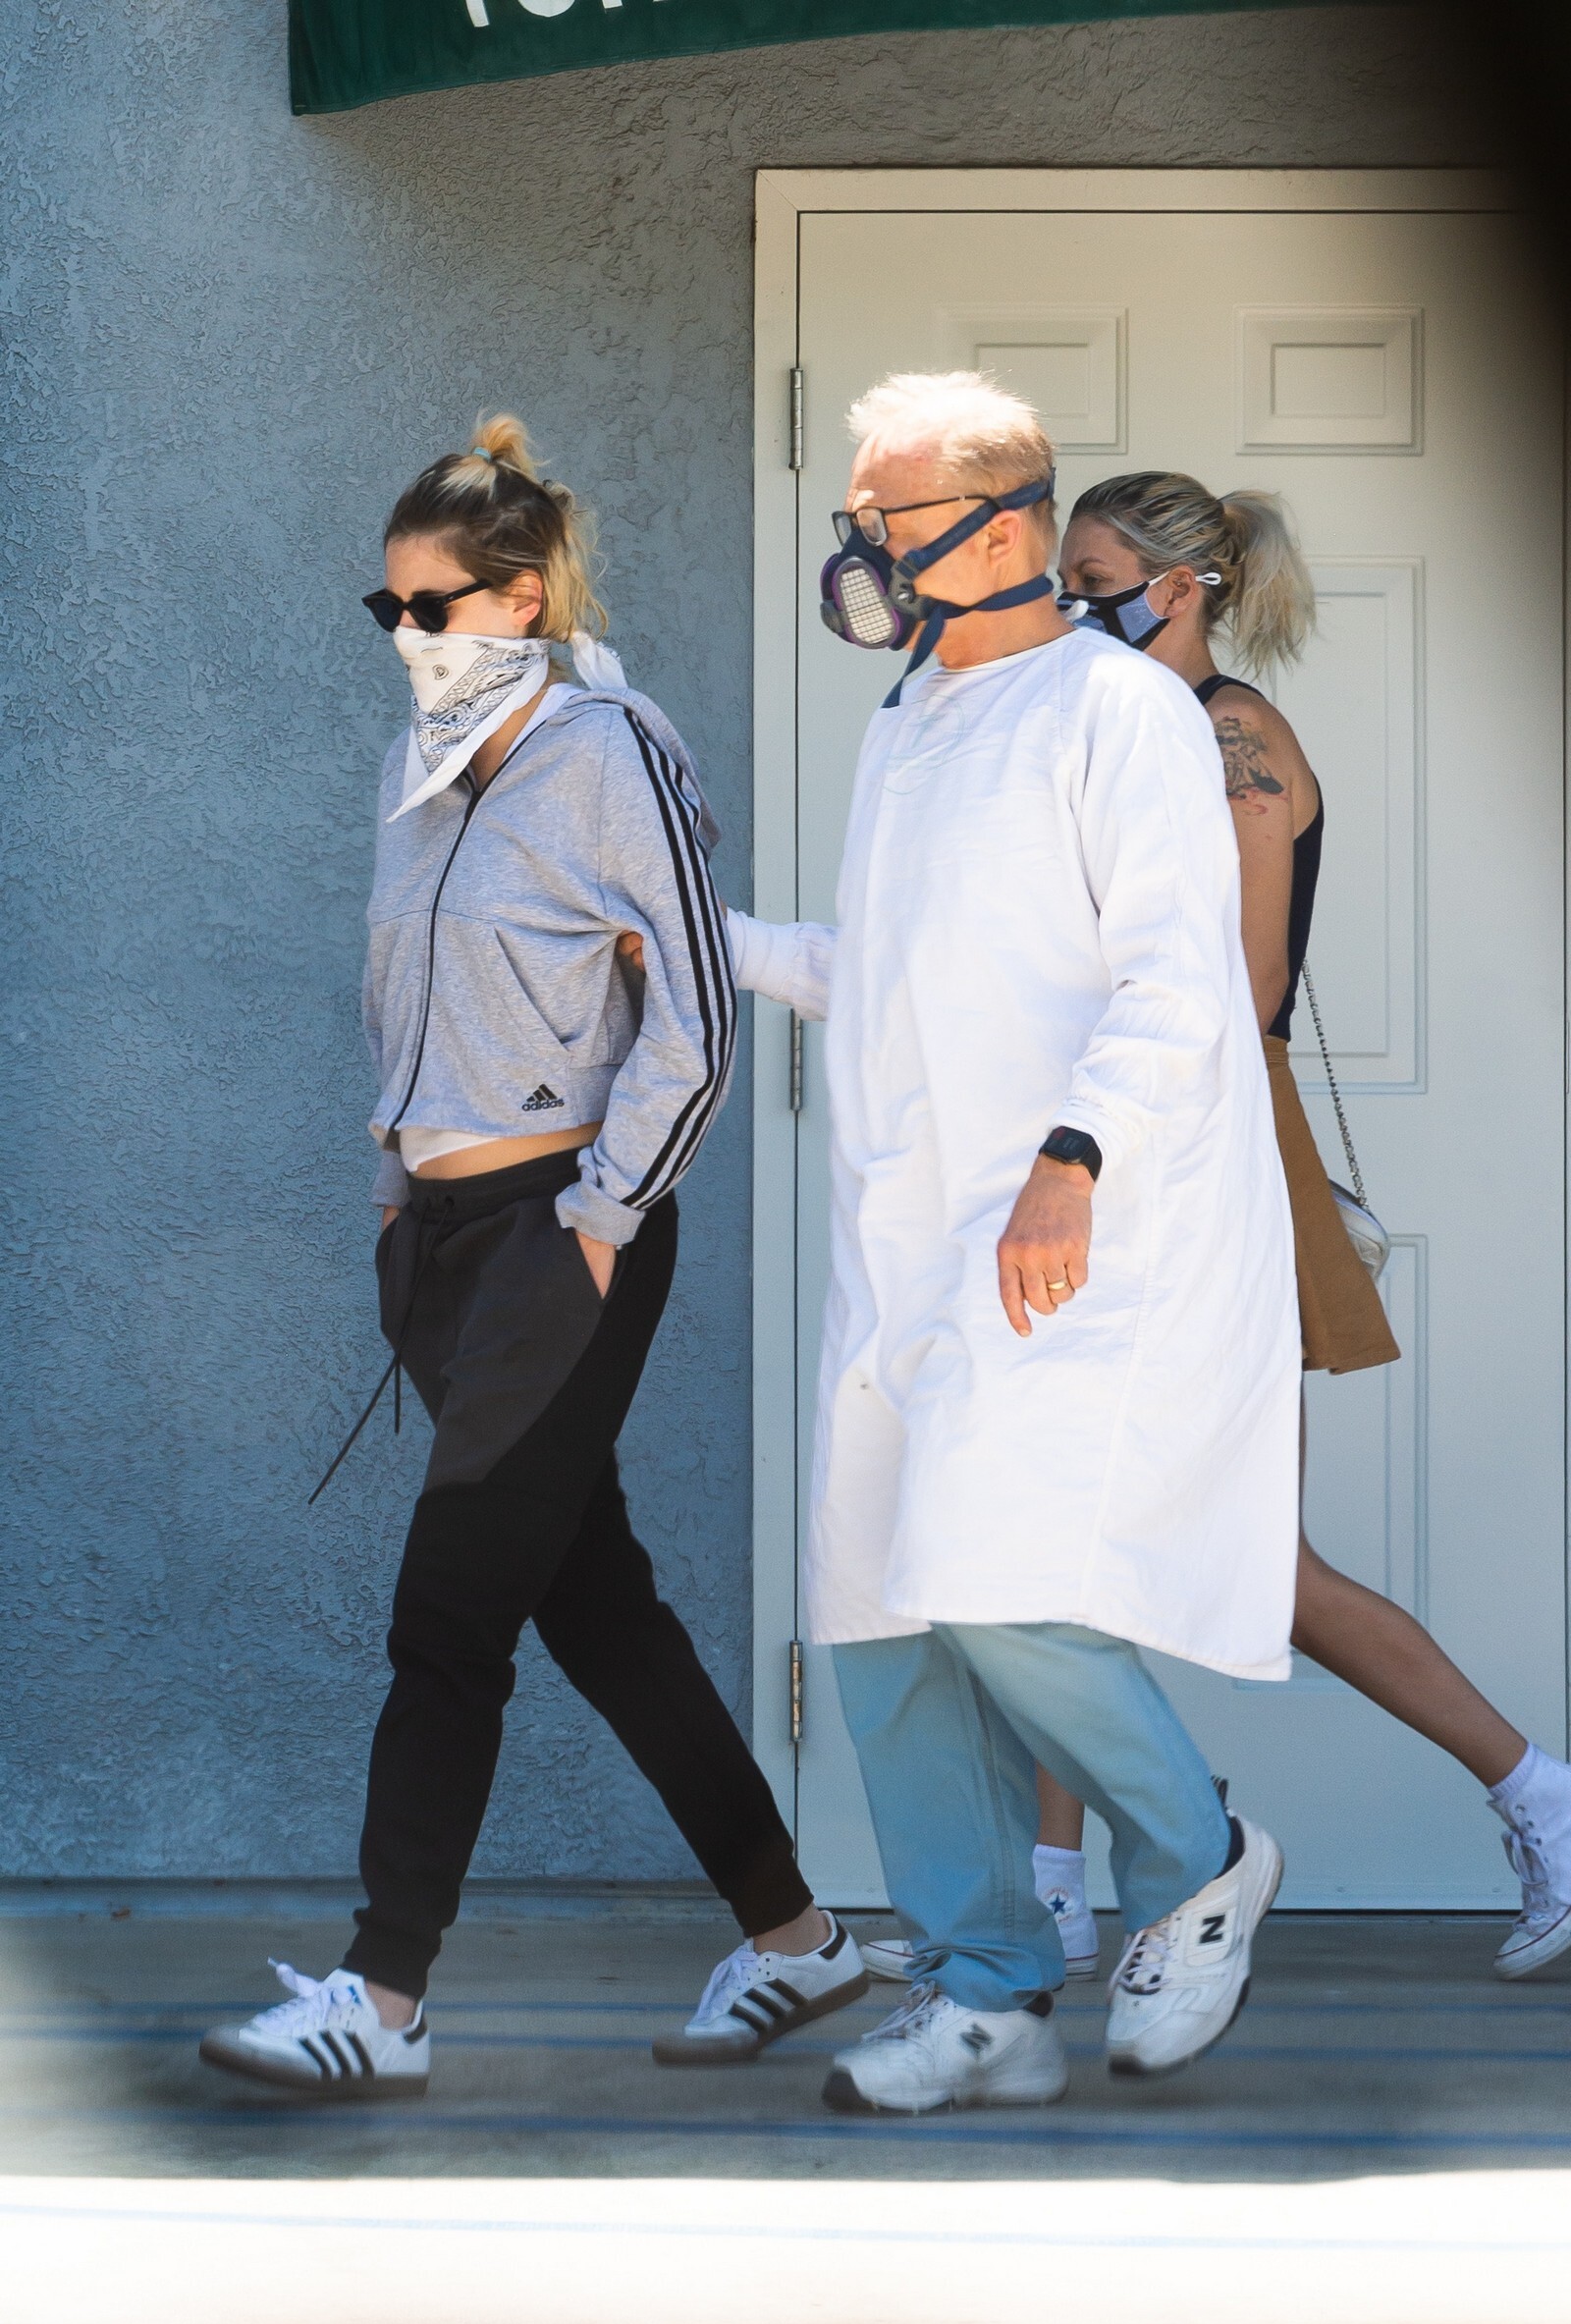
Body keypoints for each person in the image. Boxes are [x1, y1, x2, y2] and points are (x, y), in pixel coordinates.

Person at [200, 415, 866, 2098]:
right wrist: (393, 1177)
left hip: (559, 1236)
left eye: (432, 607)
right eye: (390, 608)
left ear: (518, 598)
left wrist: (604, 1217)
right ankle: (798, 1936)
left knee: (448, 1621)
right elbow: (403, 983)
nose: (407, 637)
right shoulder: (418, 766)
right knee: (597, 1605)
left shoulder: (608, 748)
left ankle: (384, 2000)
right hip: (439, 1242)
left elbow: (696, 1015)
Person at [728, 372, 1299, 2114]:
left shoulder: (1116, 710)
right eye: (858, 517)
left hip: (1055, 1233)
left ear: (1004, 528)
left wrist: (1073, 1158)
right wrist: (703, 937)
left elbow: (1178, 974)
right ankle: (986, 1995)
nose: (861, 550)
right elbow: (892, 970)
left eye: (886, 518)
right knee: (877, 1619)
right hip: (896, 1239)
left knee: (998, 1582)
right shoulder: (908, 719)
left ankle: (1199, 1858)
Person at [1005, 469, 1571, 1985]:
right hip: (1118, 1137)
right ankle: (1054, 1888)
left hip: (1202, 1148)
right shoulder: (1122, 730)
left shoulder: (1233, 737)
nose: (1067, 607)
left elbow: (1242, 988)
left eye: (1092, 582)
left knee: (1250, 1563)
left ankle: (1543, 1801)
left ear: (1178, 589)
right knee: (1062, 1530)